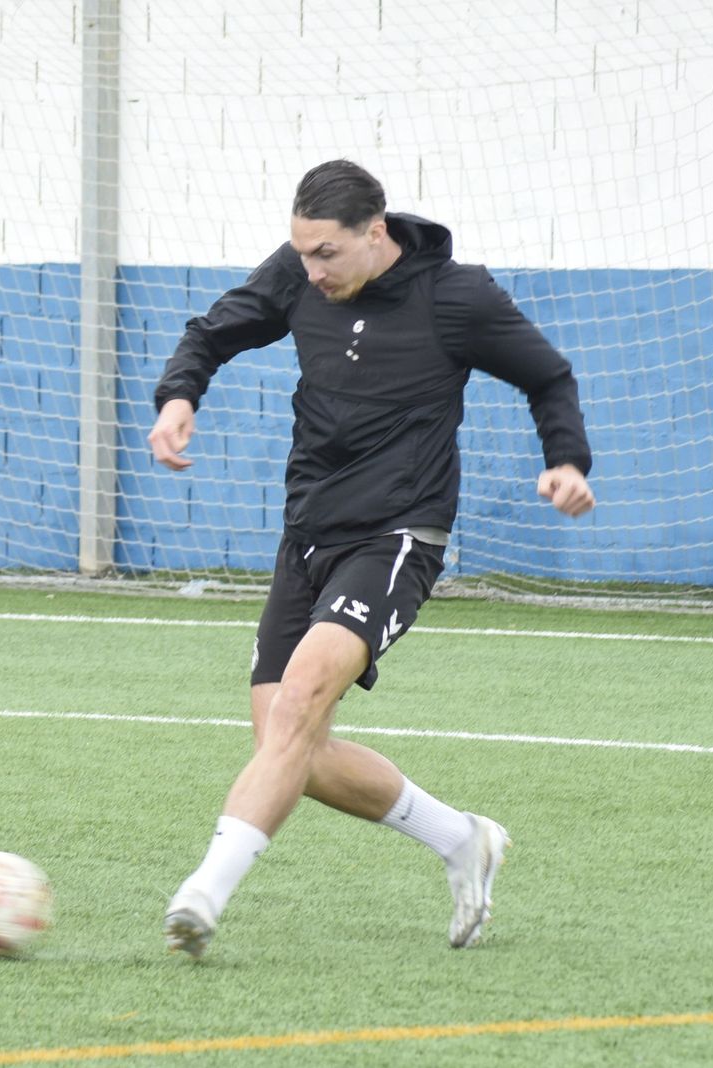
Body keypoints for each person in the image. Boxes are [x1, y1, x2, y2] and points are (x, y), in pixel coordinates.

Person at [150, 159, 595, 958]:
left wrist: (567, 459)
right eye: (302, 253)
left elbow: (548, 376)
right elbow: (210, 333)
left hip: (396, 536)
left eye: (326, 254)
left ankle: (202, 896)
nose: (309, 270)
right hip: (308, 533)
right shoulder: (297, 273)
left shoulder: (456, 297)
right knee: (292, 750)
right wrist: (179, 396)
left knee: (296, 711)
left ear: (376, 234)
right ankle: (462, 840)